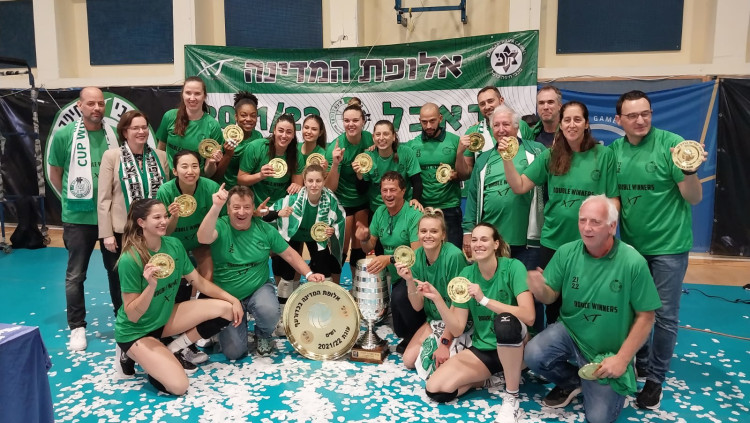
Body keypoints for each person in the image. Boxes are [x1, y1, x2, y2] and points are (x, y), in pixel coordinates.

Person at [524, 195, 661, 423]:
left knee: (598, 418)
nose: (587, 228)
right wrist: (539, 289)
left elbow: (646, 317)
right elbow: (550, 296)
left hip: (608, 351)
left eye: (595, 222)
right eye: (582, 220)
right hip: (571, 333)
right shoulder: (566, 252)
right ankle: (574, 382)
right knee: (533, 354)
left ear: (612, 227)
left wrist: (621, 359)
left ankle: (609, 377)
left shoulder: (633, 262)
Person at [610, 90, 707, 409]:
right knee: (634, 310)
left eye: (645, 113)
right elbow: (615, 199)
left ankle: (655, 379)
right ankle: (641, 359)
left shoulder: (672, 145)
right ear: (618, 120)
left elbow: (694, 198)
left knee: (664, 315)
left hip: (669, 247)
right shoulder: (614, 152)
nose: (640, 120)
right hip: (633, 249)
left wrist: (690, 172)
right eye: (632, 115)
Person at [500, 101, 620, 326]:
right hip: (553, 242)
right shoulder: (550, 156)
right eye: (567, 120)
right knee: (553, 306)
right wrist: (507, 159)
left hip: (589, 243)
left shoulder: (604, 155)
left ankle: (585, 343)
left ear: (586, 124)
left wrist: (608, 232)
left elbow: (613, 200)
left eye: (577, 120)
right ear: (561, 125)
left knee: (587, 302)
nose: (572, 125)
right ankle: (557, 344)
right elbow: (519, 186)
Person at [113, 198, 243, 395]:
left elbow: (199, 282)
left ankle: (174, 348)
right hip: (136, 330)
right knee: (179, 386)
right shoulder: (130, 259)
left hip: (164, 319)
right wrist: (151, 286)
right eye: (157, 217)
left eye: (165, 216)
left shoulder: (174, 245)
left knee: (227, 309)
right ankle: (131, 353)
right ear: (141, 222)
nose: (164, 221)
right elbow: (132, 315)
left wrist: (233, 299)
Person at [423, 223, 534, 423]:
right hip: (485, 349)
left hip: (517, 346)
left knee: (505, 322)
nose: (478, 244)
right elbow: (457, 328)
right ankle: (492, 378)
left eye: (484, 239)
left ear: (496, 244)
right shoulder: (466, 275)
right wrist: (438, 300)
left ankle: (512, 398)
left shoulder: (513, 267)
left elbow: (529, 316)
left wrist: (484, 300)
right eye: (474, 240)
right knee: (436, 389)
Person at [197, 185, 325, 358]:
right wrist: (215, 206)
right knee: (234, 353)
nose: (241, 212)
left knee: (270, 311)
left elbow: (289, 254)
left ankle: (263, 334)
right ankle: (224, 329)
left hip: (258, 288)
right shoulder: (220, 225)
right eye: (236, 207)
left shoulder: (265, 229)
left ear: (253, 208)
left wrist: (309, 274)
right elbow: (202, 238)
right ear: (228, 208)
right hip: (227, 296)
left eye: (246, 207)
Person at [48, 87, 120, 351]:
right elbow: (55, 174)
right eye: (91, 103)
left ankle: (123, 319)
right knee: (76, 275)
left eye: (100, 103)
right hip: (78, 218)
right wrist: (73, 199)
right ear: (80, 106)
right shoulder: (65, 135)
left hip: (110, 216)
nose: (97, 108)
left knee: (117, 271)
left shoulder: (114, 134)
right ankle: (77, 327)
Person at [98, 110, 168, 317]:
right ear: (124, 132)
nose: (141, 131)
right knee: (120, 278)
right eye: (135, 128)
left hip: (151, 232)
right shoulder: (112, 157)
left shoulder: (160, 157)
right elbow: (104, 198)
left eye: (144, 127)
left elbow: (165, 194)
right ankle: (123, 319)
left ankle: (152, 319)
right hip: (122, 231)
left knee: (152, 276)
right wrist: (107, 234)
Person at [462, 106, 545, 269]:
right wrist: (468, 231)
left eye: (506, 124)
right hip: (492, 241)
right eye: (496, 125)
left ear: (516, 126)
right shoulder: (483, 159)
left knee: (524, 284)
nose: (501, 130)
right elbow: (473, 198)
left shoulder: (536, 151)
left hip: (527, 242)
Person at [266, 164, 346, 330]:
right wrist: (278, 213)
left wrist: (332, 230)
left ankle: (324, 311)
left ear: (324, 181)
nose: (314, 185)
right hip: (293, 234)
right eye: (310, 181)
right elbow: (266, 214)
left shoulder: (330, 200)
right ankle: (284, 316)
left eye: (318, 181)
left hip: (316, 237)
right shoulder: (292, 199)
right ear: (304, 181)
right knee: (287, 274)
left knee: (324, 272)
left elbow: (340, 219)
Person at [394, 208, 468, 378]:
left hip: (456, 320)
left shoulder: (454, 256)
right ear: (418, 234)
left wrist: (444, 343)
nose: (428, 235)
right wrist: (409, 280)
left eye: (434, 231)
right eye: (423, 231)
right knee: (408, 360)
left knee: (443, 367)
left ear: (443, 235)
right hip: (434, 320)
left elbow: (458, 305)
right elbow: (418, 306)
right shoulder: (417, 256)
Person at [355, 172, 422, 352]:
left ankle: (417, 337)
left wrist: (389, 259)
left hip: (414, 274)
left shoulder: (414, 214)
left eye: (393, 190)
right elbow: (369, 246)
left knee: (400, 298)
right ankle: (408, 333)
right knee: (398, 327)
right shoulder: (380, 212)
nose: (388, 194)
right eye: (384, 190)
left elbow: (417, 255)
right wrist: (364, 238)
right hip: (396, 275)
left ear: (403, 191)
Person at [325, 104, 374, 275]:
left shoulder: (371, 140)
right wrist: (335, 163)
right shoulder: (335, 147)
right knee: (340, 250)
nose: (350, 124)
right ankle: (335, 288)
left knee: (359, 249)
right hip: (341, 202)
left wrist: (375, 148)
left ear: (363, 121)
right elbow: (330, 188)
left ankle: (356, 287)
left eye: (355, 120)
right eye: (346, 120)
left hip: (362, 200)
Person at [407, 103, 463, 248]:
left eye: (432, 121)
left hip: (450, 208)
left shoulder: (455, 141)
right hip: (422, 209)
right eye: (424, 122)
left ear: (440, 118)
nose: (429, 126)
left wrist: (456, 175)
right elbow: (392, 150)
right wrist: (373, 147)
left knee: (453, 253)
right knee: (426, 256)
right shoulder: (412, 145)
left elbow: (466, 173)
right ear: (419, 121)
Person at [456, 86, 534, 179]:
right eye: (482, 104)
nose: (487, 107)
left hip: (521, 184)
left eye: (490, 101)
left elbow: (534, 157)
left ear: (501, 100)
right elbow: (465, 174)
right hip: (489, 186)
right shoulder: (473, 132)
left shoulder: (521, 125)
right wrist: (459, 153)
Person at [156, 76, 223, 178]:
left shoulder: (213, 126)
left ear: (204, 96)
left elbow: (209, 173)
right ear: (182, 94)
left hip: (195, 182)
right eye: (188, 93)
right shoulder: (169, 117)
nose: (192, 98)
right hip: (169, 181)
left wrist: (211, 163)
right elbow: (160, 150)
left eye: (197, 93)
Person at [357, 120, 423, 212]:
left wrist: (415, 199)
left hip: (403, 207)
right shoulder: (367, 158)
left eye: (386, 134)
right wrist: (359, 175)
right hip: (377, 210)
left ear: (393, 137)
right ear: (373, 137)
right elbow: (362, 191)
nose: (381, 138)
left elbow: (417, 181)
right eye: (378, 134)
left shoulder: (406, 153)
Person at [238, 113, 300, 207]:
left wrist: (296, 186)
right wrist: (260, 175)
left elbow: (297, 187)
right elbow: (240, 180)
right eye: (280, 131)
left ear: (293, 135)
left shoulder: (296, 155)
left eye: (289, 132)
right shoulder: (256, 147)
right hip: (254, 207)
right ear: (274, 130)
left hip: (280, 209)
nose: (284, 135)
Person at [214, 91, 265, 189]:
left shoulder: (258, 137)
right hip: (226, 190)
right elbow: (216, 176)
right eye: (243, 115)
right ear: (236, 117)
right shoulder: (225, 138)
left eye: (253, 115)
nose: (248, 119)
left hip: (248, 191)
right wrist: (228, 155)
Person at [295, 114, 329, 182]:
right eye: (306, 127)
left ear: (320, 133)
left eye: (314, 129)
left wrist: (324, 172)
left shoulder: (324, 155)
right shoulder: (294, 148)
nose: (309, 132)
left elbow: (325, 184)